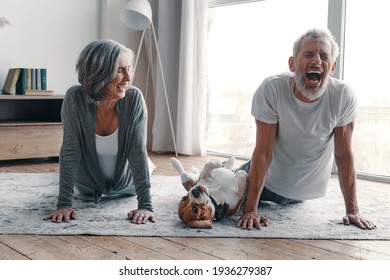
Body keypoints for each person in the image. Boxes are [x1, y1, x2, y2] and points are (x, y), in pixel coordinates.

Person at [237, 28, 376, 231]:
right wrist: (250, 209)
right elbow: (263, 153)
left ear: (333, 66)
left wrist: (353, 210)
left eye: (324, 56)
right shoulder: (272, 89)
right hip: (265, 181)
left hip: (300, 194)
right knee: (209, 193)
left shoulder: (343, 96)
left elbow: (344, 156)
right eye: (309, 54)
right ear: (292, 64)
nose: (317, 61)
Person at [44, 39, 156, 225]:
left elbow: (137, 151)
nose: (128, 77)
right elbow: (70, 151)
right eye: (120, 70)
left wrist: (146, 205)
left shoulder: (133, 98)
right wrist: (64, 203)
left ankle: (150, 168)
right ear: (99, 72)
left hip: (126, 185)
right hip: (88, 186)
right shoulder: (75, 98)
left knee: (143, 160)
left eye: (129, 68)